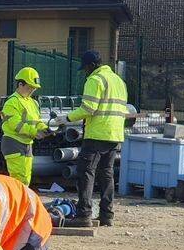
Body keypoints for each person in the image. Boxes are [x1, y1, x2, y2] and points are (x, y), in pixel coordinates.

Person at [50, 51, 128, 227]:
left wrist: (66, 118)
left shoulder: (95, 80)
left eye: (85, 67)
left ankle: (83, 215)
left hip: (97, 134)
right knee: (106, 174)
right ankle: (107, 215)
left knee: (85, 172)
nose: (85, 71)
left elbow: (88, 109)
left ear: (92, 65)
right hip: (114, 134)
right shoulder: (118, 81)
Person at [0, 67, 50, 186]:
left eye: (34, 88)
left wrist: (44, 129)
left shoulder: (32, 103)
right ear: (20, 84)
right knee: (18, 179)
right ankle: (17, 203)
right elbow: (16, 125)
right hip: (13, 143)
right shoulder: (11, 102)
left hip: (26, 144)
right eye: (30, 87)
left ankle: (21, 203)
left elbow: (36, 121)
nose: (32, 90)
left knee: (26, 178)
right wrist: (34, 132)